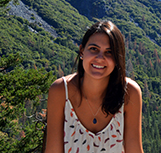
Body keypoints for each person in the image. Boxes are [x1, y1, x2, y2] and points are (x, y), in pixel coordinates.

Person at [45, 21, 144, 152]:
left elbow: (134, 149)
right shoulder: (61, 91)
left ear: (117, 58)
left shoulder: (129, 92)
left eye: (109, 52)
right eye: (94, 49)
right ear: (82, 51)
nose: (100, 57)